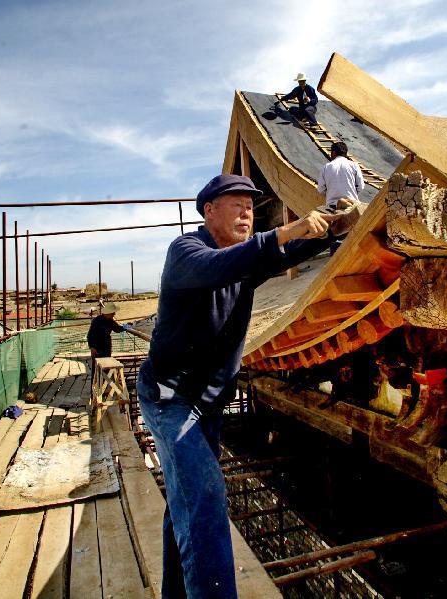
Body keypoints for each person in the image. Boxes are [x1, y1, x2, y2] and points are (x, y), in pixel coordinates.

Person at [137, 174, 337, 598]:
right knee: (206, 496)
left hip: (207, 403)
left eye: (250, 206)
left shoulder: (245, 261)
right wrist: (291, 228)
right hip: (170, 399)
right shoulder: (187, 252)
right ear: (209, 211)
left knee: (186, 502)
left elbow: (286, 253)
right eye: (237, 205)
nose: (248, 212)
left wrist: (333, 228)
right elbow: (224, 265)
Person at [317, 141, 364, 210]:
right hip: (351, 206)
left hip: (332, 207)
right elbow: (361, 186)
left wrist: (331, 194)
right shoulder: (354, 165)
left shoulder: (326, 167)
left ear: (333, 153)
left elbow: (321, 189)